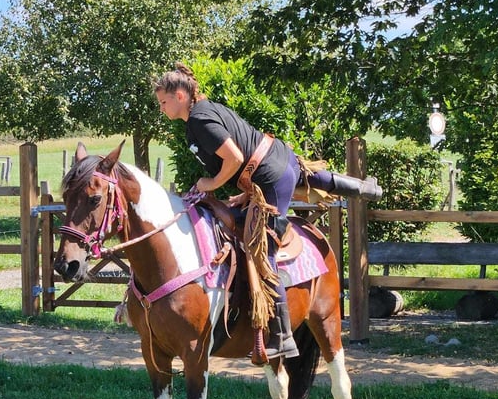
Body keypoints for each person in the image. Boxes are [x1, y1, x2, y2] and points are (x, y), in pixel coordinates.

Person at [154, 63, 381, 360]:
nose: (161, 108)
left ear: (180, 95)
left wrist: (209, 183)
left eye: (163, 102)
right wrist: (243, 193)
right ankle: (366, 189)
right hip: (277, 160)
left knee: (262, 247)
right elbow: (243, 153)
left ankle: (282, 335)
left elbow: (234, 158)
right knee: (309, 178)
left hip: (269, 176)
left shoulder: (199, 120)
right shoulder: (202, 113)